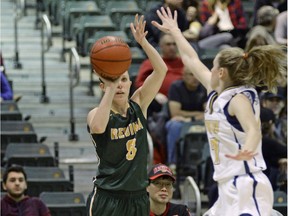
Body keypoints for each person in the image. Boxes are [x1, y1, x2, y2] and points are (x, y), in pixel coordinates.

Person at [152, 7, 286, 216]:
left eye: (212, 66)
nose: (209, 69)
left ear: (221, 72)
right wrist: (176, 32)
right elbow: (191, 60)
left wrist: (248, 149)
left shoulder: (238, 98)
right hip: (227, 185)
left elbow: (253, 128)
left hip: (245, 183)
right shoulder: (218, 92)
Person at [86, 14, 168, 216]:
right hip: (108, 196)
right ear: (102, 85)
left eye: (123, 79)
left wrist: (143, 42)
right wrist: (110, 87)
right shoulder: (97, 113)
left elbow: (161, 70)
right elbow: (97, 128)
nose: (119, 84)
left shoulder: (139, 103)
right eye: (114, 80)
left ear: (131, 82)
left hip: (138, 196)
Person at [134, 32, 184, 117]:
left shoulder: (183, 63)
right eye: (168, 44)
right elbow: (139, 83)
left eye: (174, 44)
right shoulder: (151, 62)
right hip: (157, 102)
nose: (172, 47)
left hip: (182, 100)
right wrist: (155, 94)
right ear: (161, 46)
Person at [165, 66, 207, 166]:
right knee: (174, 126)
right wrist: (198, 114)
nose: (195, 78)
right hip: (180, 121)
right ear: (183, 76)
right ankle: (173, 163)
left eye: (197, 75)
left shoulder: (204, 87)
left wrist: (190, 118)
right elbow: (175, 113)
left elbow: (209, 112)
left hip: (198, 121)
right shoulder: (176, 87)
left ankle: (206, 164)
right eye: (191, 74)